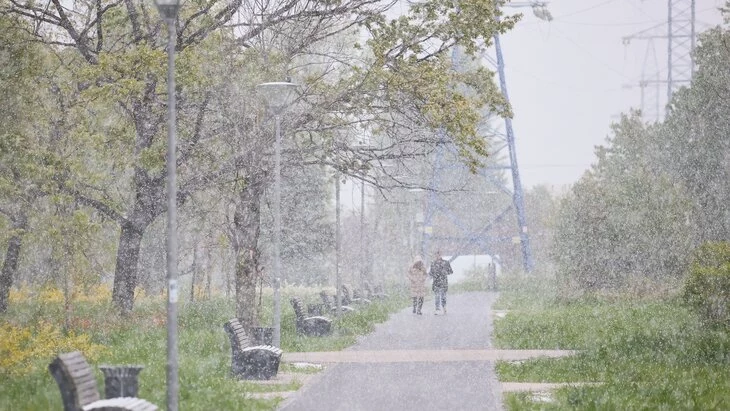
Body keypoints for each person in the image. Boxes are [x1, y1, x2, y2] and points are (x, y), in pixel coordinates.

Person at [429, 250, 453, 315]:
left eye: (439, 254)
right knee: (437, 296)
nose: (437, 256)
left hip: (443, 282)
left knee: (443, 296)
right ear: (435, 255)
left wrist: (445, 272)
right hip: (436, 282)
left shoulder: (446, 262)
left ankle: (444, 307)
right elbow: (431, 273)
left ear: (441, 255)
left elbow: (450, 271)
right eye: (436, 255)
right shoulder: (433, 263)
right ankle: (437, 309)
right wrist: (432, 274)